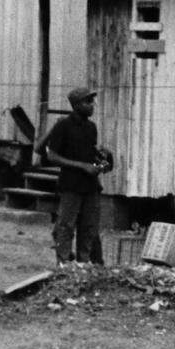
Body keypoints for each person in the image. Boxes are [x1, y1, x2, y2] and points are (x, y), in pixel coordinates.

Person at [44, 86, 113, 265]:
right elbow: (52, 155)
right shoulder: (63, 125)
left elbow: (89, 152)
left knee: (89, 227)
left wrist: (103, 159)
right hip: (71, 185)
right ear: (76, 105)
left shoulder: (91, 127)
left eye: (92, 101)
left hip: (90, 186)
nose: (92, 105)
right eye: (87, 101)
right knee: (66, 226)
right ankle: (64, 264)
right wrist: (82, 166)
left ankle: (84, 264)